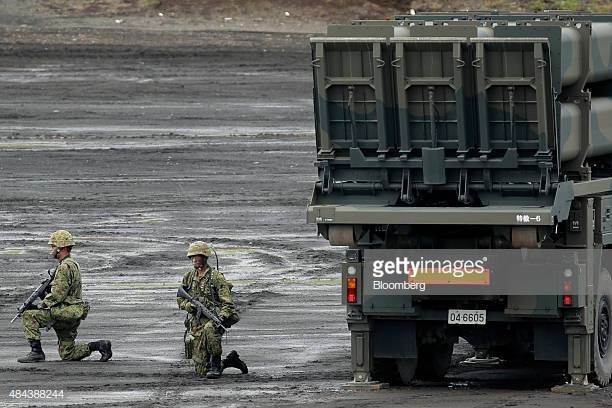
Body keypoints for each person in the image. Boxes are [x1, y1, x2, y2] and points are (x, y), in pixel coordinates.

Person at [18, 230, 112, 363]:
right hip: (73, 312)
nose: (51, 249)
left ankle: (36, 352)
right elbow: (66, 290)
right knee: (67, 354)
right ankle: (99, 346)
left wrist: (40, 305)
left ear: (60, 247)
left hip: (64, 312)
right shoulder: (73, 264)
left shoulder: (63, 267)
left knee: (28, 316)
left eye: (53, 246)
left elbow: (57, 295)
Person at [178, 241, 244, 378]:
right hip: (197, 322)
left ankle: (215, 365)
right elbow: (180, 298)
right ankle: (229, 361)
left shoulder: (216, 277)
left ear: (205, 257)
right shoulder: (189, 277)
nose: (195, 259)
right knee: (201, 371)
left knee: (210, 330)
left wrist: (221, 317)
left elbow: (228, 303)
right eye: (192, 257)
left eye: (198, 256)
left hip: (217, 317)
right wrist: (188, 306)